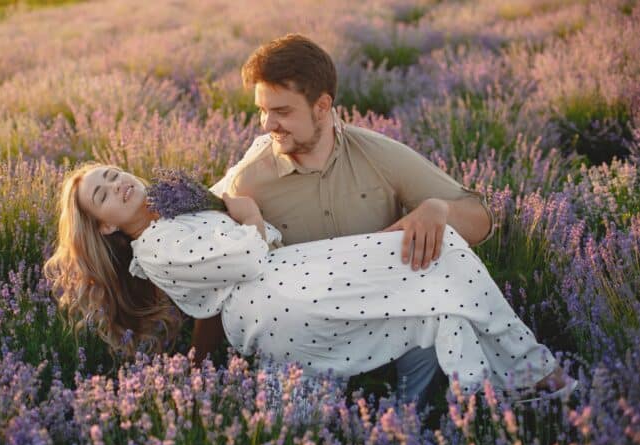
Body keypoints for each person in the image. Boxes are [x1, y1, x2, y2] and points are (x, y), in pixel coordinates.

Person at [44, 162, 575, 400]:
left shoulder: (171, 220)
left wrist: (242, 217)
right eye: (103, 194)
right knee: (437, 259)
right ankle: (530, 374)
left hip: (285, 280)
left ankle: (485, 393)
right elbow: (250, 254)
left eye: (113, 174)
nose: (116, 185)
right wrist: (247, 214)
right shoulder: (155, 247)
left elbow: (255, 243)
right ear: (107, 226)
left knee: (434, 287)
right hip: (275, 296)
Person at [204, 34, 494, 406]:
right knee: (292, 437)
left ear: (322, 106)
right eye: (262, 110)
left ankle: (415, 424)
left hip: (385, 313)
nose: (266, 124)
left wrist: (439, 210)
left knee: (444, 316)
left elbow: (480, 220)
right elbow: (220, 274)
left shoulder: (378, 154)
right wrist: (199, 361)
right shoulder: (250, 181)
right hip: (307, 333)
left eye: (282, 111)